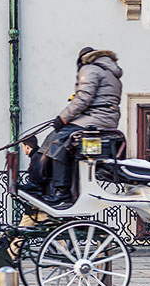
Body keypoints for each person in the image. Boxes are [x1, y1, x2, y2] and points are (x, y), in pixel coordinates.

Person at [39, 47, 123, 207]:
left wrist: (62, 118)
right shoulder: (110, 72)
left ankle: (61, 191)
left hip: (96, 119)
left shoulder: (91, 68)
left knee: (59, 140)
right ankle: (45, 185)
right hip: (104, 118)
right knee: (55, 139)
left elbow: (83, 99)